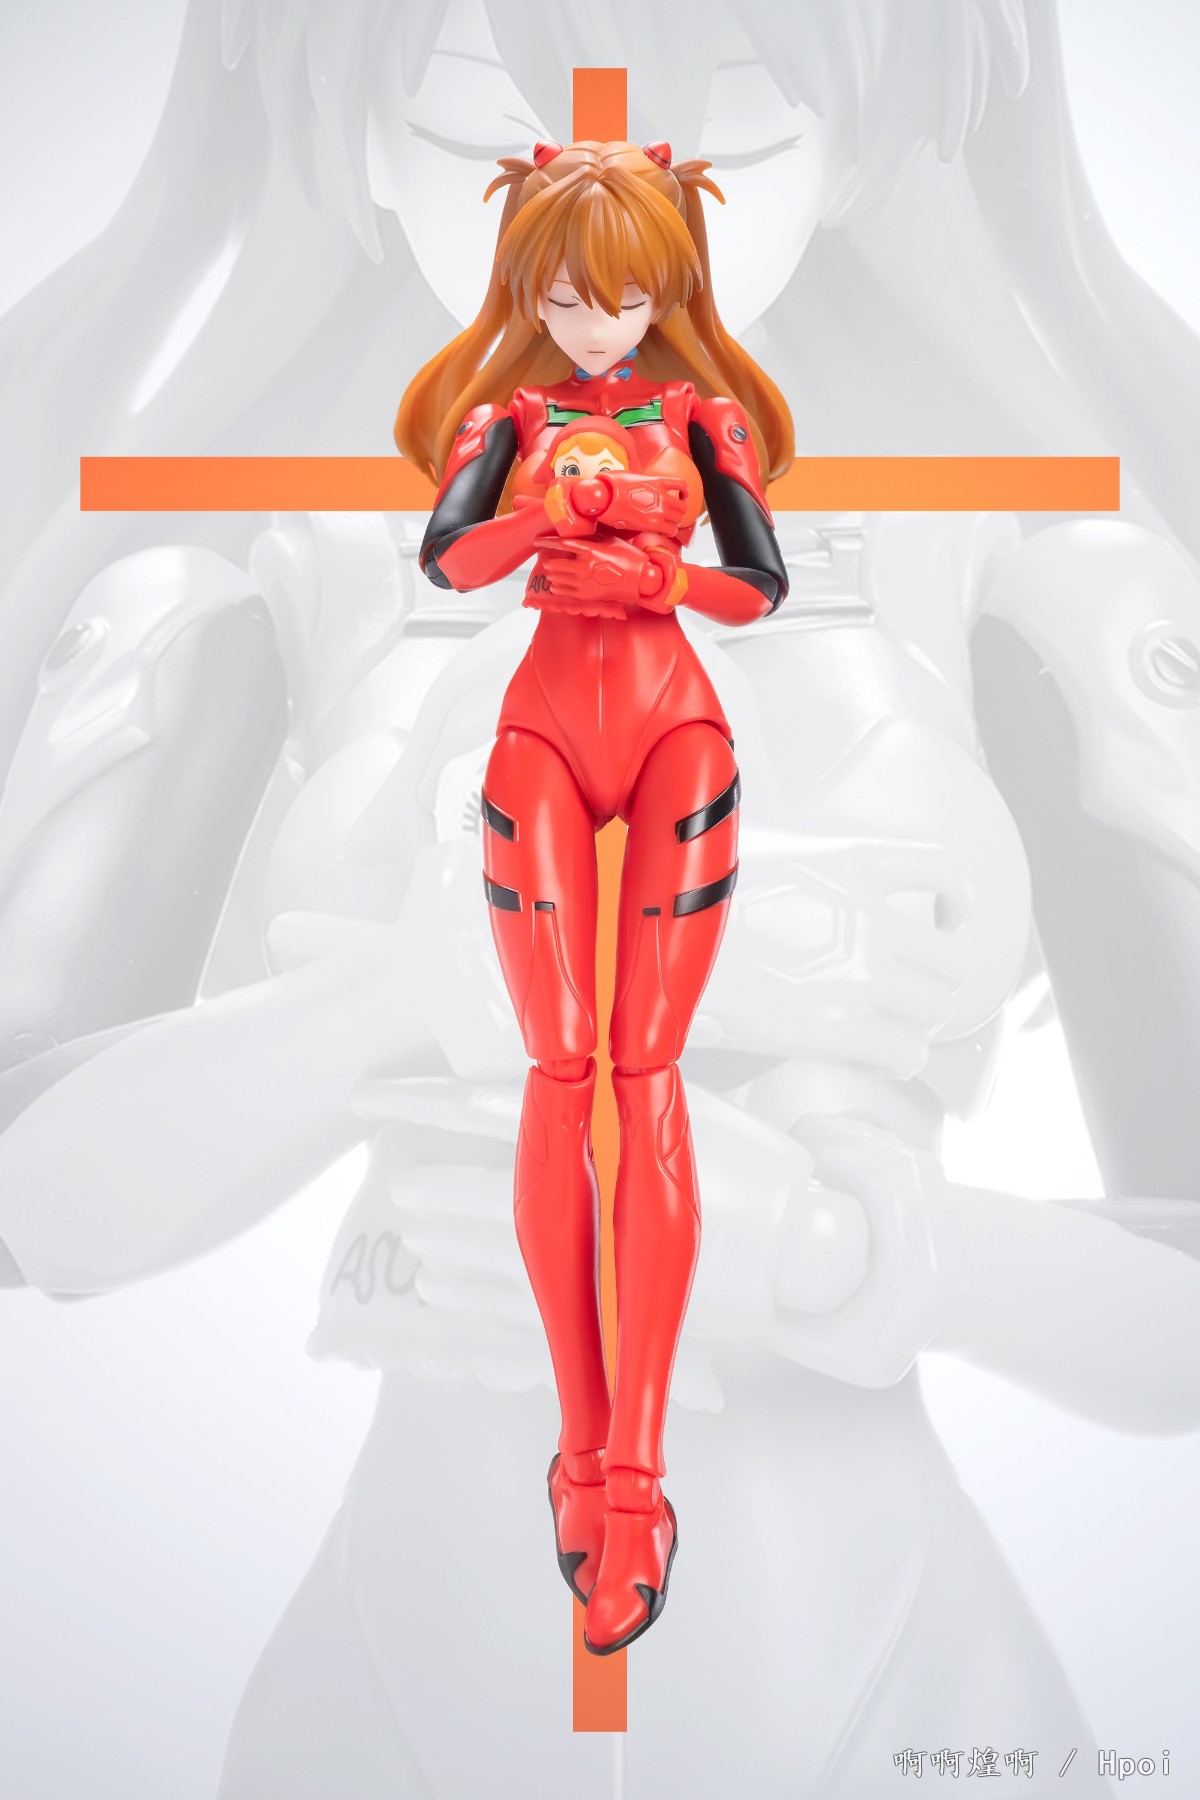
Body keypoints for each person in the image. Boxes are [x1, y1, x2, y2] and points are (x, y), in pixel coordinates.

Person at [395, 134, 792, 1654]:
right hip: (544, 735)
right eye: (562, 298)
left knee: (647, 1068)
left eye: (620, 297)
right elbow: (449, 562)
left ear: (666, 289)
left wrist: (659, 579)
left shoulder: (702, 416)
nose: (591, 323)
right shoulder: (506, 416)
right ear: (529, 293)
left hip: (678, 728)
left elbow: (759, 582)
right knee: (563, 1067)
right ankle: (576, 1452)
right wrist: (552, 522)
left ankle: (639, 1472)